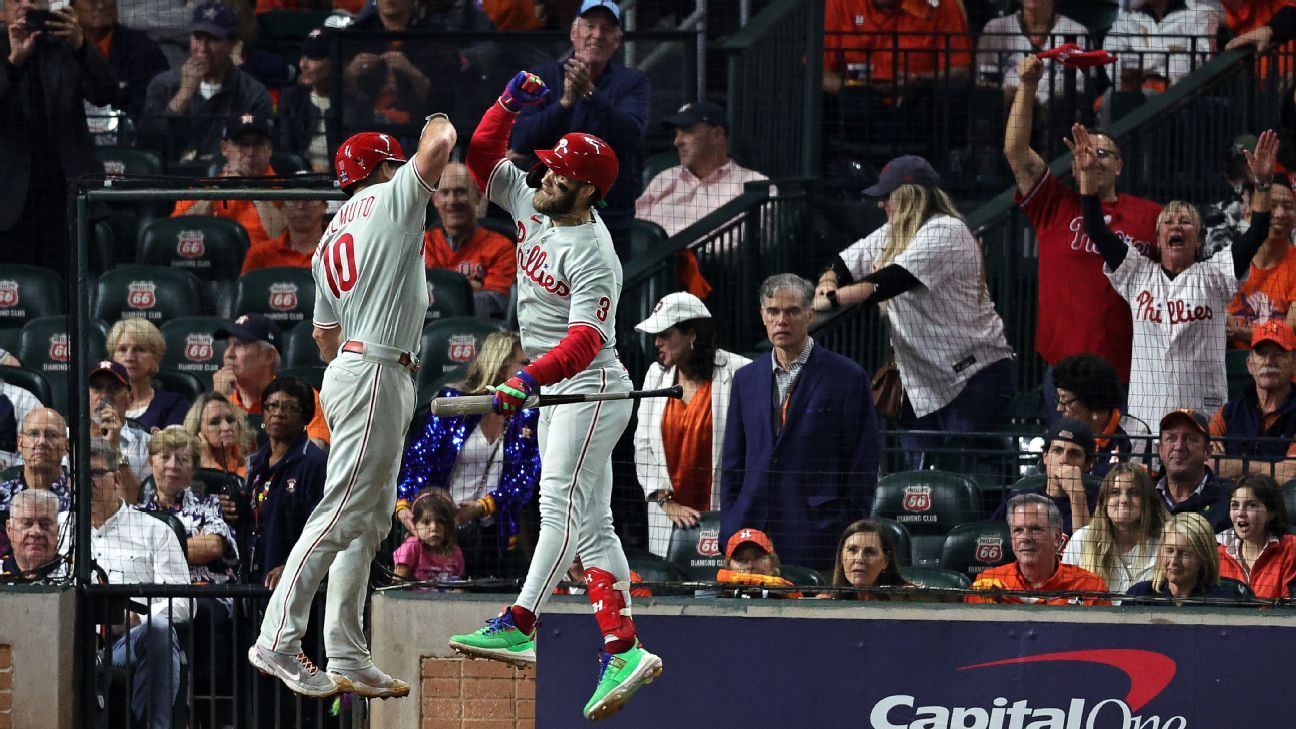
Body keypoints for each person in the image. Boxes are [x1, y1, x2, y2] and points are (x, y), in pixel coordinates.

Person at [447, 71, 662, 722]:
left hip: (590, 385)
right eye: (544, 168)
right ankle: (623, 647)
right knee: (592, 523)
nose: (542, 178)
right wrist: (507, 104)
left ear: (588, 189)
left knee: (557, 502)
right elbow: (483, 159)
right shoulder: (532, 202)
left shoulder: (595, 250)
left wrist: (526, 379)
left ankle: (520, 618)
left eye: (558, 174)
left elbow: (589, 341)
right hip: (556, 387)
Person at [250, 113, 456, 700]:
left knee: (367, 521)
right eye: (396, 164)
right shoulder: (392, 198)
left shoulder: (329, 235)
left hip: (355, 366)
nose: (406, 174)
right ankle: (279, 641)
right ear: (383, 169)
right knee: (342, 514)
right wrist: (434, 120)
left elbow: (322, 335)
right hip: (376, 371)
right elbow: (440, 141)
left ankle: (345, 650)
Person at [814, 156, 1016, 467]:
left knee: (960, 475)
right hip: (921, 378)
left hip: (974, 375)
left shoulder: (946, 231)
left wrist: (832, 300)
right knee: (917, 486)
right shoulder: (893, 232)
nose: (881, 204)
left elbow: (886, 283)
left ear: (911, 195)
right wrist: (827, 283)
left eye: (887, 196)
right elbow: (839, 264)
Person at [1072, 125, 1277, 425]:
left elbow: (1258, 231)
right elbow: (1095, 228)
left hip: (1202, 414)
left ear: (1199, 239)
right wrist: (1088, 177)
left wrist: (1264, 184)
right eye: (1167, 222)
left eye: (1185, 222)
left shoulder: (1215, 275)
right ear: (1158, 238)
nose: (1175, 226)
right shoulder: (1137, 273)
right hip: (1146, 417)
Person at [1005, 54, 1163, 419]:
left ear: (1120, 166)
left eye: (1104, 152)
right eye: (1087, 151)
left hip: (1130, 369)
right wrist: (1028, 86)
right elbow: (1015, 151)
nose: (1095, 158)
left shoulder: (1151, 214)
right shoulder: (1054, 204)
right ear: (1074, 163)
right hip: (1065, 368)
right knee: (1066, 460)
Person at [722, 273, 881, 572]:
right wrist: (730, 526)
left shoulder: (847, 377)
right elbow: (733, 464)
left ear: (810, 314)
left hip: (818, 536)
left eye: (792, 311)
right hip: (750, 538)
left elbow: (863, 464)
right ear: (762, 316)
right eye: (773, 311)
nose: (782, 320)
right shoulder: (746, 379)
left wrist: (845, 529)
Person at [60, 438, 188, 729]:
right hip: (70, 641)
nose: (87, 482)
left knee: (158, 629)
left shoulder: (155, 530)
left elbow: (183, 602)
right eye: (79, 475)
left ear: (116, 477)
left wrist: (136, 618)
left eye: (95, 473)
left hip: (127, 641)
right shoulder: (58, 528)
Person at [511, 0, 650, 261]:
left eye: (607, 29)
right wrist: (564, 104)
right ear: (574, 33)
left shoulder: (633, 82)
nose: (597, 35)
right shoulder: (543, 76)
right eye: (590, 26)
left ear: (617, 41)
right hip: (545, 213)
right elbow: (520, 138)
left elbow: (631, 136)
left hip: (607, 216)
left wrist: (590, 94)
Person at [397, 331, 540, 579]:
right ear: (502, 364)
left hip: (495, 533)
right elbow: (419, 459)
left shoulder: (528, 413)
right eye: (525, 364)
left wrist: (482, 506)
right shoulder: (455, 403)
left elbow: (526, 476)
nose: (533, 371)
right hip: (442, 530)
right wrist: (404, 503)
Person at [0, 0, 117, 275]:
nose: (26, 5)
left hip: (65, 196)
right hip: (9, 203)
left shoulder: (65, 44)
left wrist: (82, 46)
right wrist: (14, 62)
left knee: (70, 297)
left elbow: (107, 93)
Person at [633, 292, 750, 558]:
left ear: (692, 335)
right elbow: (643, 446)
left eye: (665, 334)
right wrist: (666, 501)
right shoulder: (655, 376)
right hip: (669, 521)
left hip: (725, 519)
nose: (657, 343)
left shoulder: (740, 372)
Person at [140, 1, 272, 165]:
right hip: (172, 181)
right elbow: (147, 147)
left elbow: (259, 151)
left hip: (228, 182)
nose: (202, 48)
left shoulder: (252, 92)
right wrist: (184, 93)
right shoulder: (163, 85)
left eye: (213, 39)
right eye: (198, 37)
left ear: (232, 44)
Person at [634, 100, 771, 238]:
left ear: (717, 135)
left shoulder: (754, 185)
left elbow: (760, 242)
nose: (677, 142)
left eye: (687, 131)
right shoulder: (664, 179)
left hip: (712, 258)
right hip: (653, 258)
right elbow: (635, 233)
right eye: (676, 133)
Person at [243, 376, 327, 590]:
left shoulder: (315, 463)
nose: (278, 413)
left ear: (305, 417)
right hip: (252, 580)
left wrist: (292, 566)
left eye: (290, 407)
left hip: (294, 582)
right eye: (272, 406)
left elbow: (319, 528)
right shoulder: (255, 462)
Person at [966, 493, 1111, 606]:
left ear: (1057, 537)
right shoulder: (988, 584)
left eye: (1035, 529)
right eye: (1018, 530)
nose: (1025, 538)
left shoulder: (1090, 587)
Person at [171, 110, 286, 248]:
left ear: (269, 149)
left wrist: (256, 190)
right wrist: (216, 192)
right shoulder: (201, 189)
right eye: (242, 145)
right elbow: (174, 233)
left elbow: (282, 237)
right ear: (224, 148)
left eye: (258, 144)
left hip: (266, 265)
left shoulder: (287, 189)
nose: (250, 153)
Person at [213, 313, 330, 447]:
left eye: (240, 345)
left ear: (269, 356)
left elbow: (312, 454)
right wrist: (219, 401)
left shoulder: (302, 398)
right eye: (228, 345)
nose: (229, 354)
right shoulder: (222, 399)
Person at [141, 427, 238, 584]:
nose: (173, 465)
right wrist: (191, 544)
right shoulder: (138, 514)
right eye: (165, 457)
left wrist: (150, 549)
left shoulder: (212, 505)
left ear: (193, 469)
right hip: (153, 597)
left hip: (205, 596)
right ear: (151, 462)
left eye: (182, 459)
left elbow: (212, 547)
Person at [422, 162, 518, 319]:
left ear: (478, 196)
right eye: (445, 193)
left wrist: (441, 295)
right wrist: (469, 288)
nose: (452, 201)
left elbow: (494, 304)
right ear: (435, 199)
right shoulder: (421, 245)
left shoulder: (502, 247)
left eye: (461, 192)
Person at [822, 0, 973, 93]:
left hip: (921, 106)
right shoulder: (839, 3)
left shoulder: (941, 4)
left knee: (952, 94)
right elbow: (818, 72)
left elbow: (961, 70)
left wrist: (919, 80)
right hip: (854, 109)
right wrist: (852, 91)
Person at [1210, 321, 1296, 481]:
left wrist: (1229, 465)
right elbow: (1206, 463)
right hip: (1229, 504)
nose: (1269, 361)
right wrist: (1271, 469)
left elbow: (1290, 474)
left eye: (1279, 354)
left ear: (1294, 364)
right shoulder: (1227, 413)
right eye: (1262, 353)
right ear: (1249, 364)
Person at [1062, 464, 1167, 595]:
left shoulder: (1164, 543)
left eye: (1133, 493)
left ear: (1146, 501)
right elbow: (1064, 595)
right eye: (1115, 492)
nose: (1124, 500)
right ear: (1104, 501)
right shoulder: (1081, 539)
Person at [1225, 175, 1296, 348]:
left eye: (1288, 207)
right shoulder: (1227, 260)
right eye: (1271, 206)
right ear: (1248, 212)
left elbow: (1287, 331)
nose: (1279, 214)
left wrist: (1239, 331)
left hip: (1282, 367)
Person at [1052, 353, 1152, 474]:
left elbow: (1136, 488)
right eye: (1059, 400)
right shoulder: (1063, 434)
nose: (1059, 408)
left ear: (1092, 401)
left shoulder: (1135, 433)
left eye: (1066, 401)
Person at [993, 417, 1096, 534]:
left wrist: (1076, 495)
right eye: (1057, 450)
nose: (1063, 460)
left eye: (1074, 454)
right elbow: (993, 536)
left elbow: (1087, 550)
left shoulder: (1098, 504)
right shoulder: (1021, 498)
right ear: (1045, 457)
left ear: (1087, 464)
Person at [975, 0, 1089, 102]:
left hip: (1056, 120)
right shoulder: (995, 28)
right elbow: (984, 85)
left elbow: (1082, 91)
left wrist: (1035, 102)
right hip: (1006, 116)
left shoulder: (1077, 32)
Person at [75, 0, 168, 122]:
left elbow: (150, 116)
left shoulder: (143, 50)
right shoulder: (55, 50)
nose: (101, 6)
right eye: (91, 1)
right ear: (71, 6)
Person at [1103, 0, 1219, 97]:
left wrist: (1142, 68)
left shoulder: (1201, 14)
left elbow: (1201, 60)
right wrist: (1170, 52)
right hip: (1134, 89)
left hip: (1180, 95)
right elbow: (1111, 56)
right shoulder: (1128, 18)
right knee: (1111, 97)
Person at [1126, 512, 1237, 605]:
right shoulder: (1138, 597)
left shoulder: (1226, 600)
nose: (1174, 561)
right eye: (1169, 550)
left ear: (1203, 557)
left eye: (1184, 553)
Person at [1216, 474, 1296, 599]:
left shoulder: (1291, 549)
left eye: (1251, 505)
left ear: (1271, 513)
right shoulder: (1216, 555)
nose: (1240, 514)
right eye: (1235, 505)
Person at [1155, 408, 1233, 532]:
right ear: (1160, 450)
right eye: (1171, 438)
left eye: (1190, 439)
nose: (1179, 446)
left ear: (1207, 451)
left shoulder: (1231, 497)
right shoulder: (1144, 493)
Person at [274, 27, 338, 174]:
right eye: (303, 56)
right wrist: (307, 169)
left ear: (334, 60)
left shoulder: (353, 102)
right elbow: (285, 150)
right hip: (301, 180)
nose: (303, 64)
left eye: (313, 57)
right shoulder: (292, 98)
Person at [108, 319, 190, 432]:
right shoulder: (99, 401)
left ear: (156, 358)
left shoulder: (174, 404)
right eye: (122, 349)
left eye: (139, 349)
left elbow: (172, 447)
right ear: (112, 358)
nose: (129, 357)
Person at [89, 360, 149, 502]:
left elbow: (136, 501)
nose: (104, 397)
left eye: (113, 389)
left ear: (131, 398)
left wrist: (115, 449)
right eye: (97, 388)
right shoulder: (65, 437)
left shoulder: (147, 443)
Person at [819, 519, 910, 601]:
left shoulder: (908, 599)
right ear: (841, 556)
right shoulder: (827, 601)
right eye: (852, 550)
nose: (859, 559)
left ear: (885, 560)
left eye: (870, 552)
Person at [0, 408, 71, 512]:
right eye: (33, 434)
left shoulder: (79, 501)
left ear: (66, 446)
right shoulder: (1, 496)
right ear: (20, 443)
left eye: (52, 435)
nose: (41, 441)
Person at [240, 197, 328, 274]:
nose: (301, 206)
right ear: (283, 209)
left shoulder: (339, 250)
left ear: (324, 206)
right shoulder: (259, 255)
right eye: (294, 200)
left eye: (308, 199)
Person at [392, 490, 465, 583]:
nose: (434, 528)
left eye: (440, 521)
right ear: (414, 524)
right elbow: (397, 584)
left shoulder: (455, 552)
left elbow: (459, 584)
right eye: (426, 522)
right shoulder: (411, 546)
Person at [714, 528, 801, 600]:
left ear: (773, 563)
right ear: (728, 566)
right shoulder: (713, 601)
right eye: (740, 559)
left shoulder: (792, 599)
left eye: (758, 557)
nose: (750, 565)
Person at [183, 391, 255, 477]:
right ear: (197, 431)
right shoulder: (183, 468)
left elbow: (234, 489)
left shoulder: (251, 464)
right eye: (215, 422)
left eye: (230, 420)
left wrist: (209, 464)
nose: (226, 427)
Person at [2, 489, 62, 581]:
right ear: (9, 529)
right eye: (27, 523)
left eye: (45, 524)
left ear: (57, 531)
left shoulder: (76, 577)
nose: (35, 532)